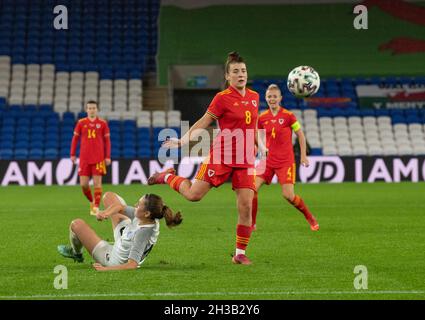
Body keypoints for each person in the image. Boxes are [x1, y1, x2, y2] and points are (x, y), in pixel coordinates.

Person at [148, 52, 259, 265]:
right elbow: (203, 122)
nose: (240, 74)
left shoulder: (254, 97)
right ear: (227, 76)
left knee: (246, 206)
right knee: (193, 195)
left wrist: (258, 144)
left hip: (245, 160)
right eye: (235, 71)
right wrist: (182, 140)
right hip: (222, 156)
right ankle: (168, 177)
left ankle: (239, 253)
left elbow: (252, 124)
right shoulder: (222, 98)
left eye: (243, 71)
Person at [57, 192, 182, 271]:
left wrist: (105, 270)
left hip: (112, 258)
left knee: (76, 225)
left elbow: (132, 265)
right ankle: (78, 251)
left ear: (147, 213)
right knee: (109, 197)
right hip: (125, 236)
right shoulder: (147, 217)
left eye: (138, 205)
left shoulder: (142, 234)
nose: (135, 205)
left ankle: (76, 253)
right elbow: (121, 208)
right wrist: (105, 213)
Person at [252, 84, 319, 231]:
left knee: (288, 196)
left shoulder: (288, 116)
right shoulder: (262, 117)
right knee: (252, 189)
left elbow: (300, 135)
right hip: (267, 161)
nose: (272, 99)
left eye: (275, 96)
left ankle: (310, 217)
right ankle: (252, 224)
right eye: (269, 96)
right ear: (266, 98)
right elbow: (258, 134)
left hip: (285, 162)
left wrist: (303, 156)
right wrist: (259, 147)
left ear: (280, 98)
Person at [70, 101, 111, 215]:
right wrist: (72, 154)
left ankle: (96, 207)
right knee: (84, 185)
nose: (92, 110)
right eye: (90, 108)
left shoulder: (102, 123)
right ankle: (92, 201)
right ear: (86, 110)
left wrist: (107, 156)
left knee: (97, 184)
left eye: (94, 108)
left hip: (98, 158)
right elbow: (75, 139)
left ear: (97, 109)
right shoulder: (81, 123)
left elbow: (107, 141)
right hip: (84, 158)